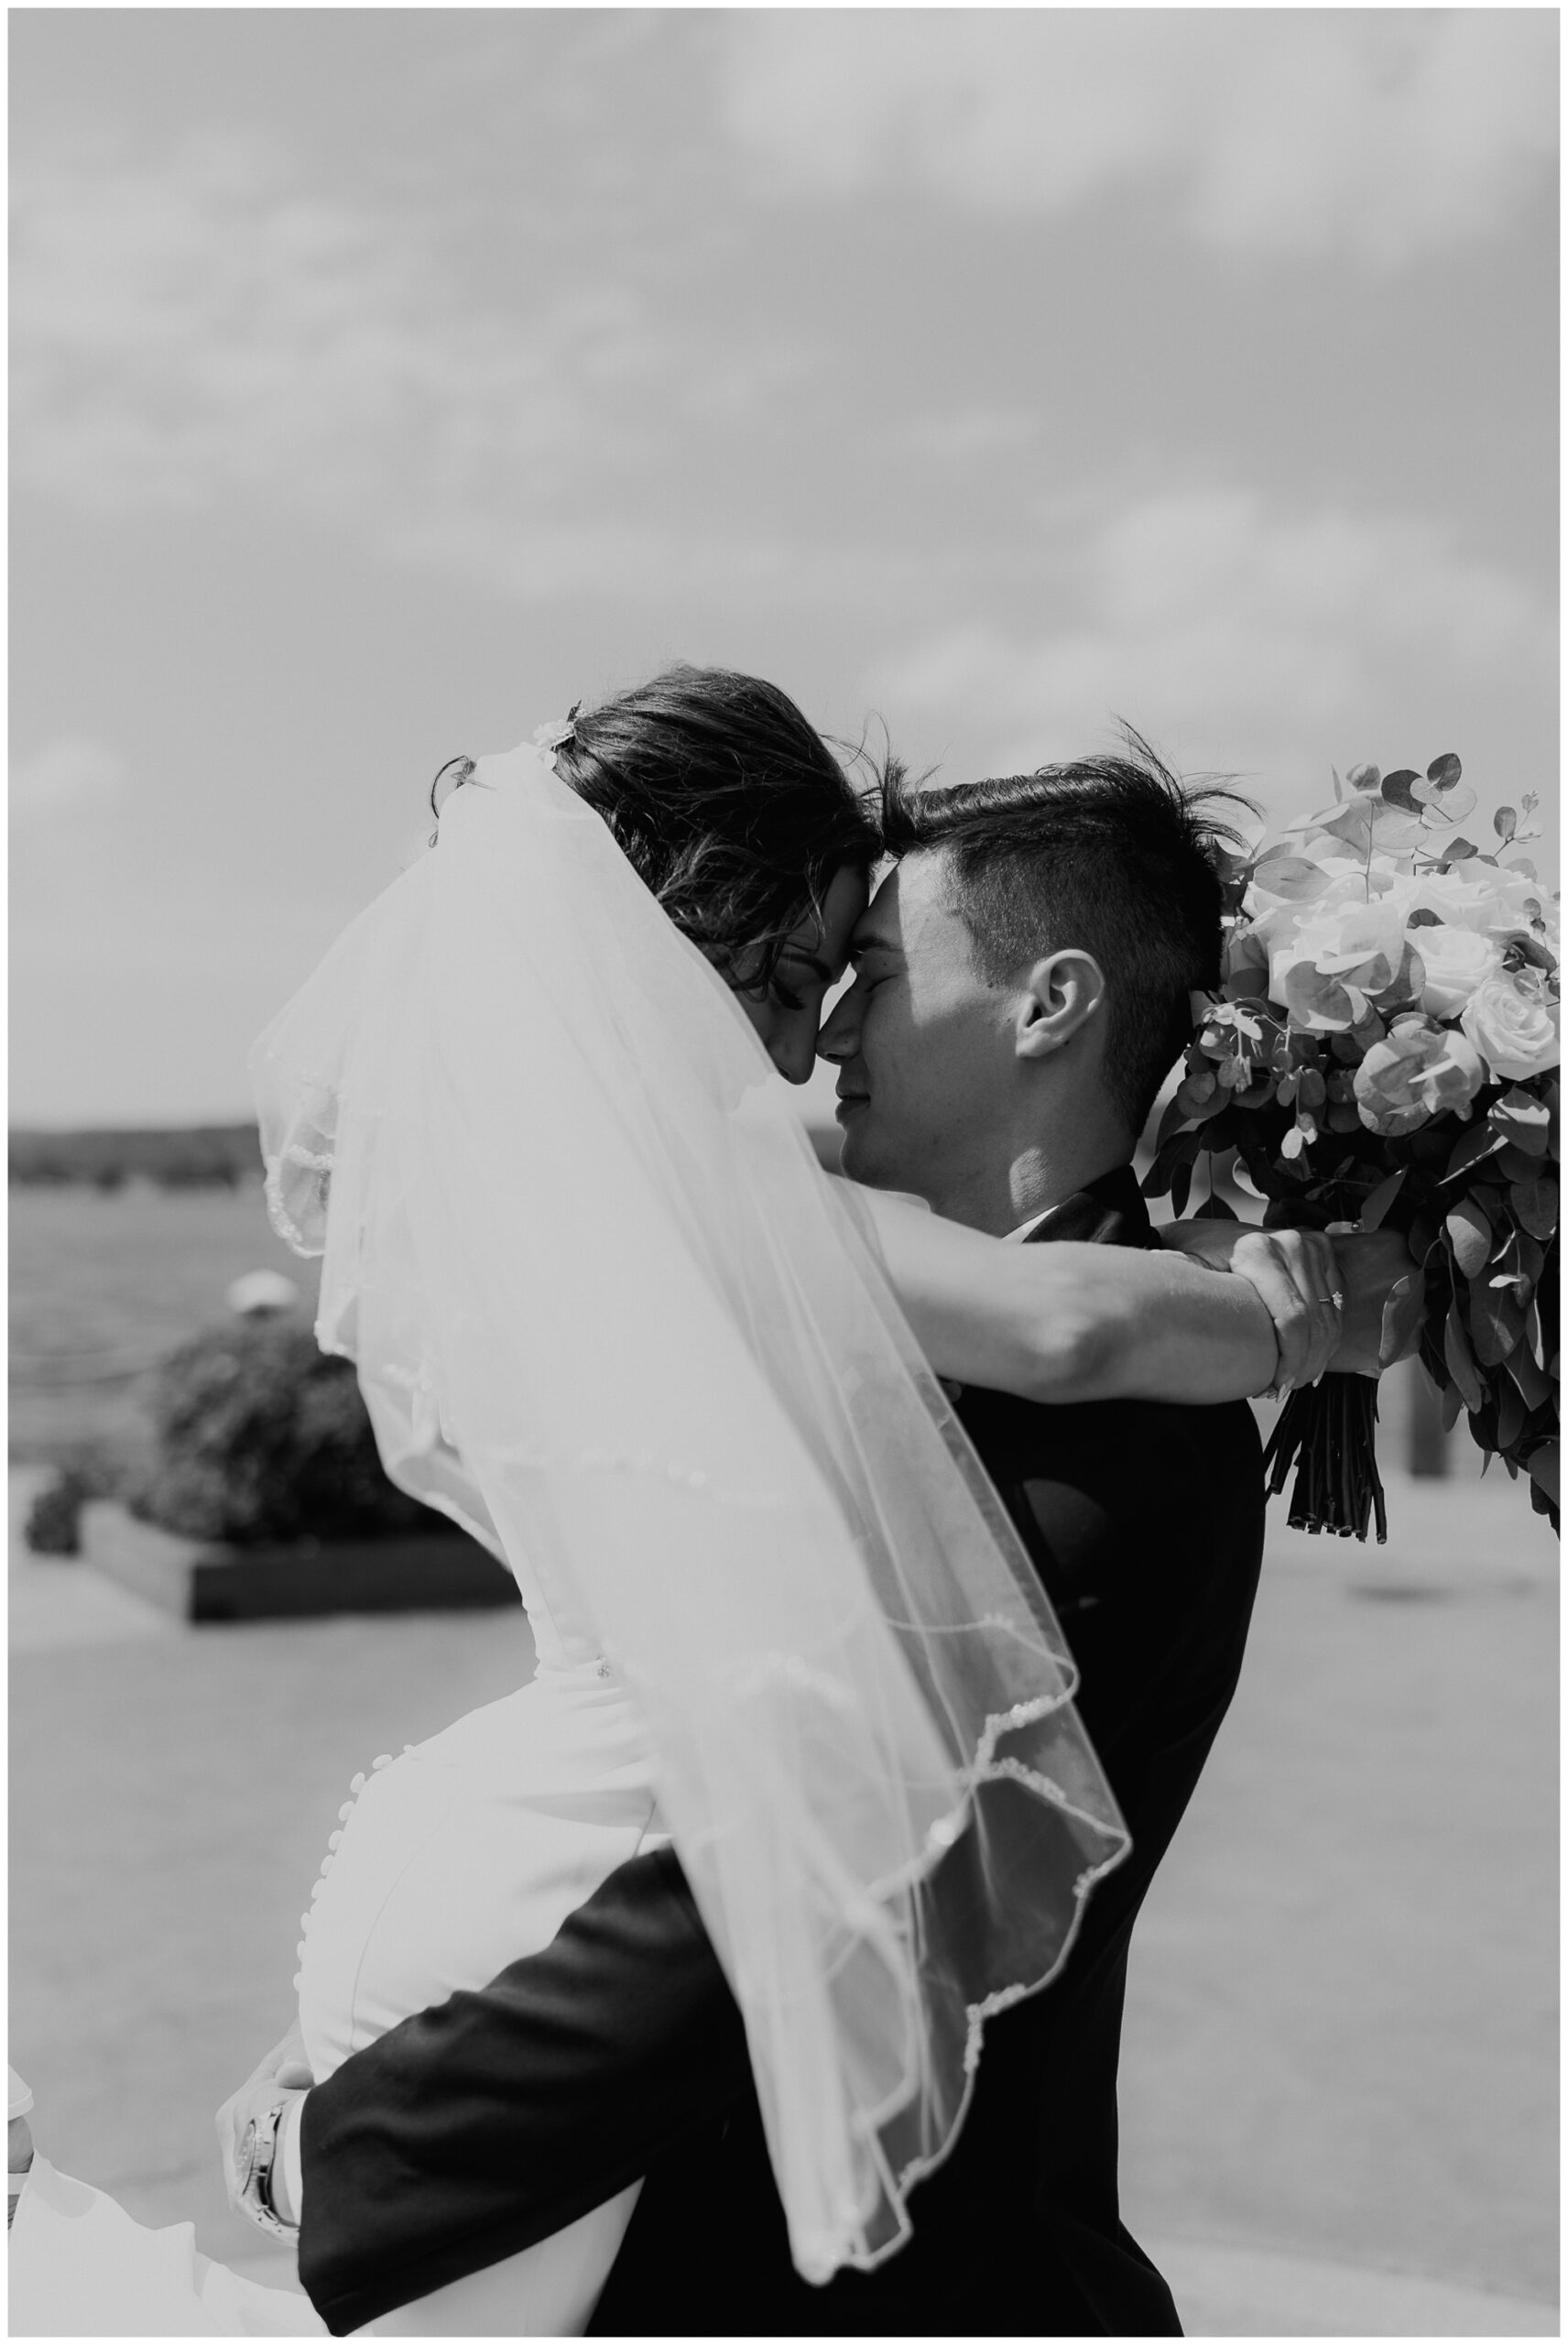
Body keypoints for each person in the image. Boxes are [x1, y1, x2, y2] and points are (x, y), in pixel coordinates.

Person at [229, 733, 1404, 2337]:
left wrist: (349, 2148)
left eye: (866, 970)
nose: (823, 1036)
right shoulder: (887, 1305)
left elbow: (753, 1928)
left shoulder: (1104, 1460)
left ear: (1050, 1003)